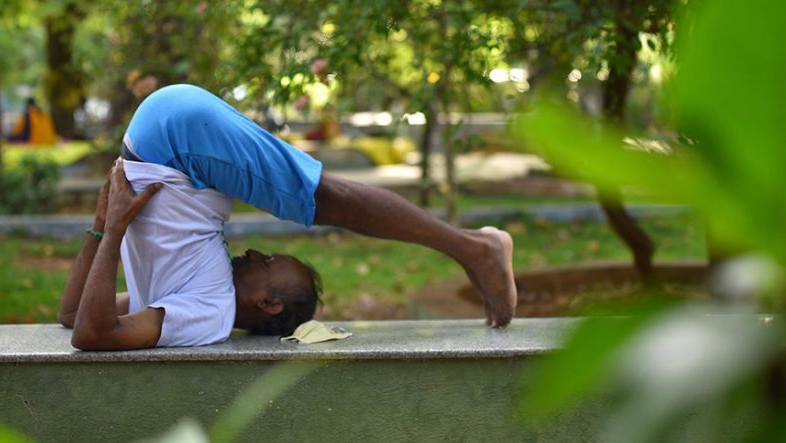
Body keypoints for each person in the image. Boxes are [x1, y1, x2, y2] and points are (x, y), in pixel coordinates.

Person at [59, 84, 516, 350]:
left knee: (331, 200)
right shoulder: (206, 297)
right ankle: (475, 246)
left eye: (269, 262)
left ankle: (477, 247)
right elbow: (87, 324)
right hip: (177, 140)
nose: (255, 251)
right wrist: (111, 227)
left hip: (173, 143)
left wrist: (106, 227)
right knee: (326, 200)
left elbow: (81, 322)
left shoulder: (208, 311)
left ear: (269, 304)